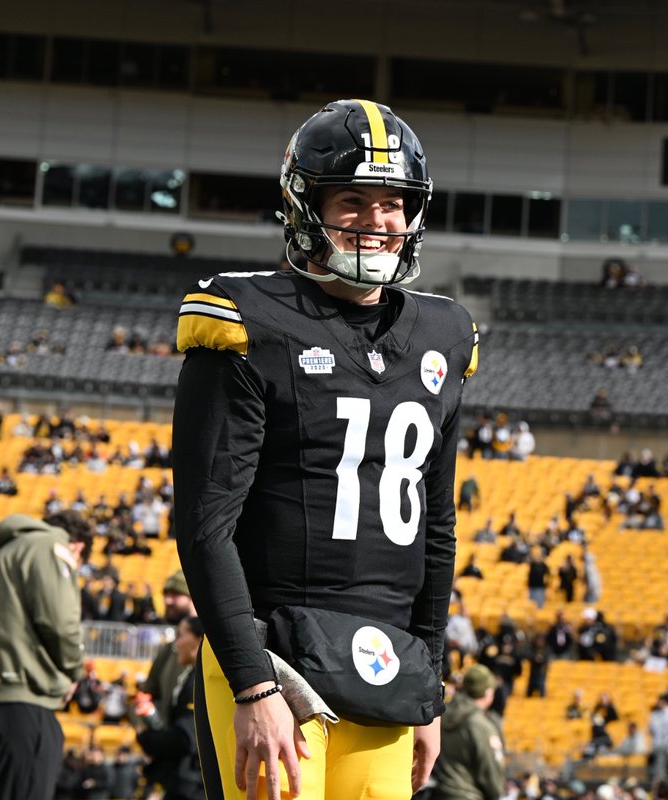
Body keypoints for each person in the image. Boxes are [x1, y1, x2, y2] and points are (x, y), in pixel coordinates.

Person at [173, 99, 477, 800]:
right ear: (304, 205)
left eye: (394, 203)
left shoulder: (443, 334)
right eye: (353, 200)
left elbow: (437, 526)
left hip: (386, 662)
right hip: (273, 653)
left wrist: (429, 684)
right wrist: (251, 684)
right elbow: (205, 525)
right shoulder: (250, 318)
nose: (378, 220)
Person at [0, 511, 92, 800]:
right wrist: (74, 673)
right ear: (77, 547)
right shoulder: (50, 547)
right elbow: (61, 623)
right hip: (23, 707)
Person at [135, 615, 206, 800]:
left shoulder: (200, 681)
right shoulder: (193, 676)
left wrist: (147, 738)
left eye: (181, 636)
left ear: (199, 639)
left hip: (192, 785)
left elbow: (185, 738)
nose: (176, 644)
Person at [430, 665, 505, 800]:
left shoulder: (441, 714)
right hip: (467, 794)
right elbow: (491, 772)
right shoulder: (481, 725)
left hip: (436, 792)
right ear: (488, 693)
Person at [141, 570, 198, 720]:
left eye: (175, 594)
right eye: (166, 594)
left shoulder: (213, 647)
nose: (167, 601)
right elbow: (149, 693)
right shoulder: (168, 650)